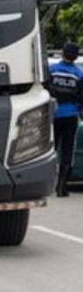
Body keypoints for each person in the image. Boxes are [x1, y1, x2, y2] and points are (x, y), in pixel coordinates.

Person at [47, 42, 83, 197]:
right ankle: (61, 187)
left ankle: (47, 184)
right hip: (70, 116)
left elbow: (45, 89)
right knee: (67, 152)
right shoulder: (79, 74)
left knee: (50, 150)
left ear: (62, 53)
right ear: (75, 57)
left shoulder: (52, 70)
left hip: (53, 116)